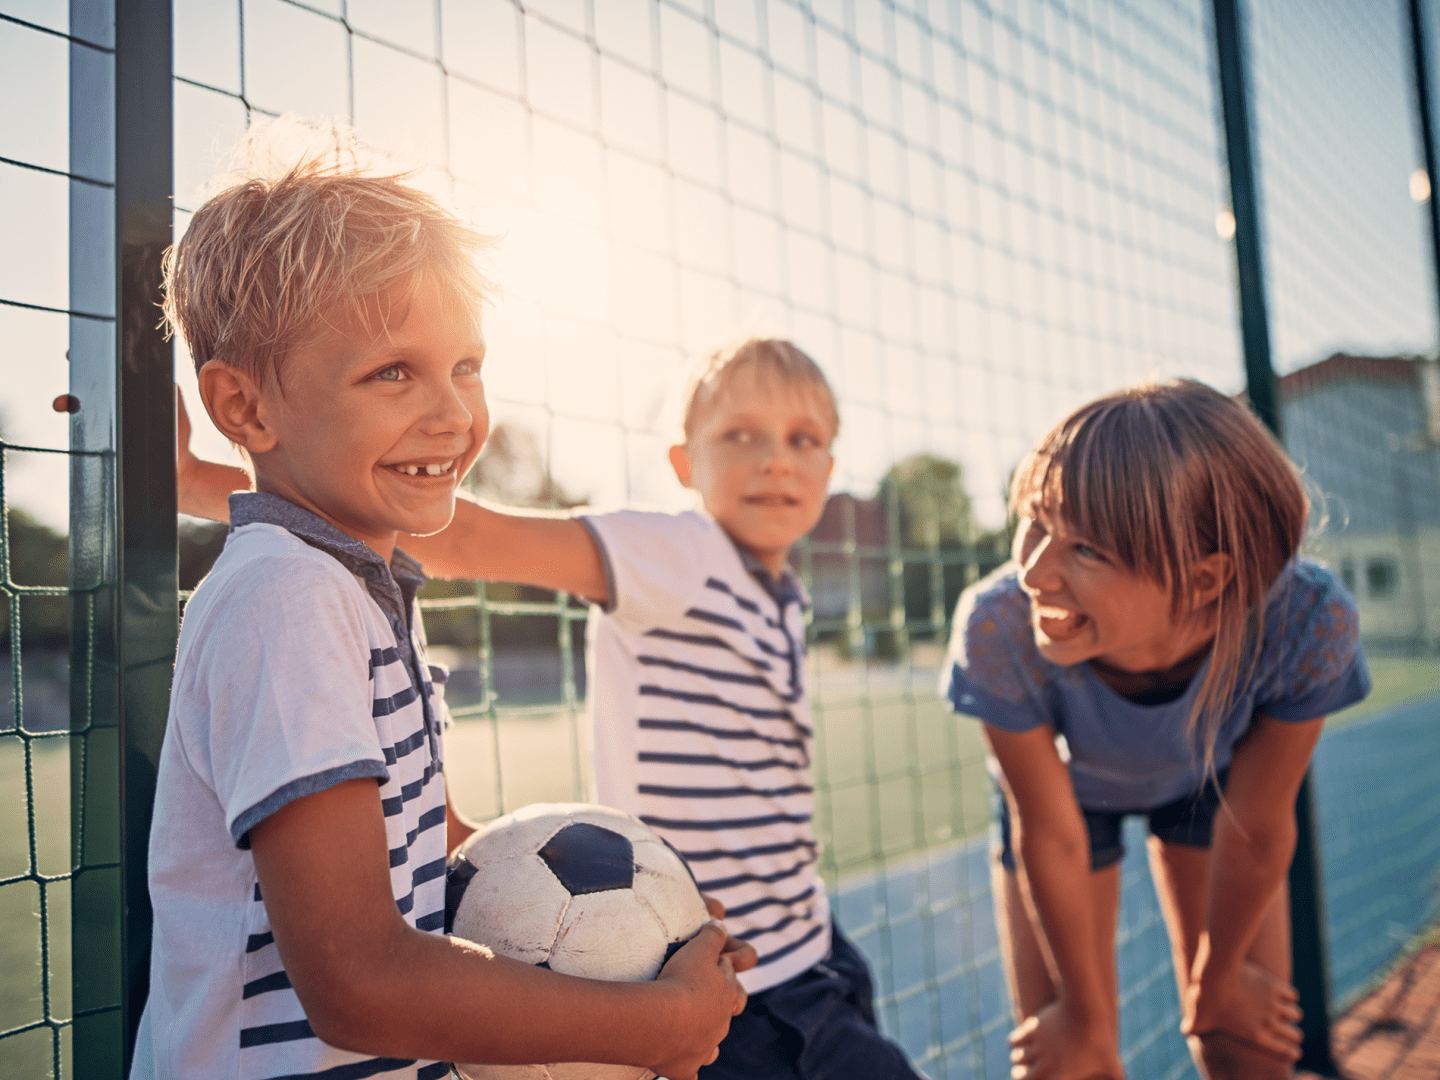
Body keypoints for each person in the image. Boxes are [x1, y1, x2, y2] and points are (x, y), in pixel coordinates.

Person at [138, 149, 755, 1080]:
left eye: (466, 365)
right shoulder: (287, 600)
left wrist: (649, 935)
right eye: (394, 372)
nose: (454, 413)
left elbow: (430, 853)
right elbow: (357, 979)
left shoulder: (361, 582)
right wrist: (647, 1029)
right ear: (243, 404)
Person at [179, 337, 926, 1080]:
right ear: (682, 463)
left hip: (813, 950)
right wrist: (202, 482)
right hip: (723, 998)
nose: (775, 460)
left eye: (803, 441)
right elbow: (465, 532)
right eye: (741, 436)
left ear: (830, 467)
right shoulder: (677, 552)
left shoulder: (784, 598)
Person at [941, 380, 1370, 1080]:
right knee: (1071, 1063)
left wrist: (1220, 978)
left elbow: (1258, 826)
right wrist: (1082, 1013)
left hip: (1210, 784)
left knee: (1244, 1049)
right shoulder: (997, 625)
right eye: (1036, 519)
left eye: (1086, 550)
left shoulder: (1306, 620)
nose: (1034, 570)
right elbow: (1048, 833)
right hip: (1064, 803)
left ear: (1205, 581)